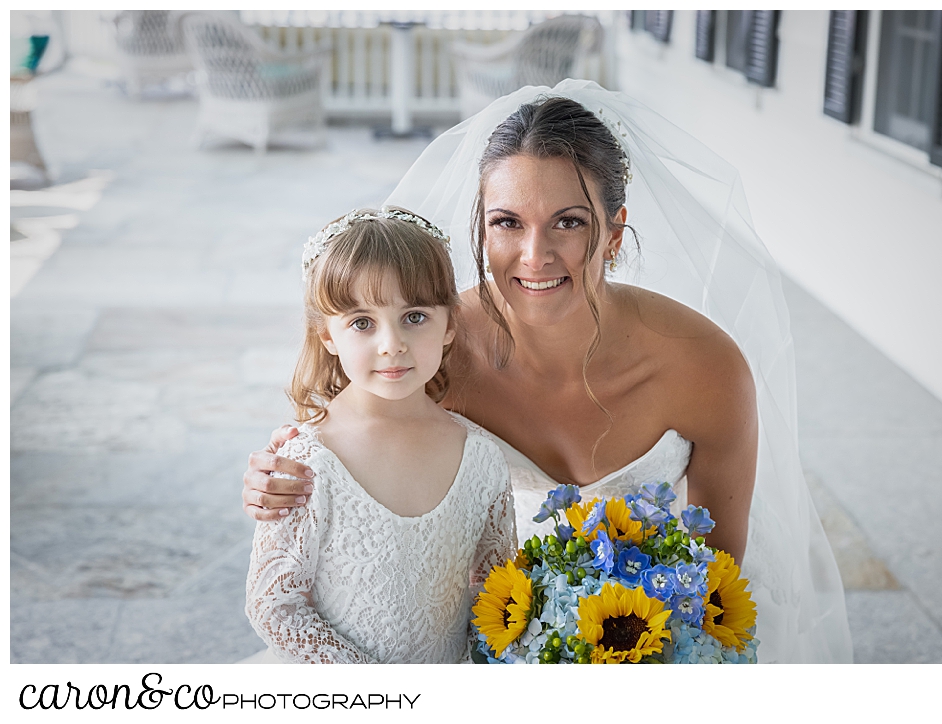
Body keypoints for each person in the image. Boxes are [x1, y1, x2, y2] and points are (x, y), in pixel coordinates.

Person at [242, 80, 853, 663]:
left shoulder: (705, 368)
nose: (535, 255)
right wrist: (276, 474)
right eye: (507, 222)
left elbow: (717, 573)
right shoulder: (430, 344)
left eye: (569, 221)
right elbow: (347, 439)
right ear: (480, 227)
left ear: (614, 233)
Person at [243, 208, 516, 664]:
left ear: (449, 324)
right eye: (362, 322)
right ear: (326, 334)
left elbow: (495, 592)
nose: (391, 343)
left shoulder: (481, 458)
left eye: (414, 317)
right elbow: (274, 607)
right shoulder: (309, 460)